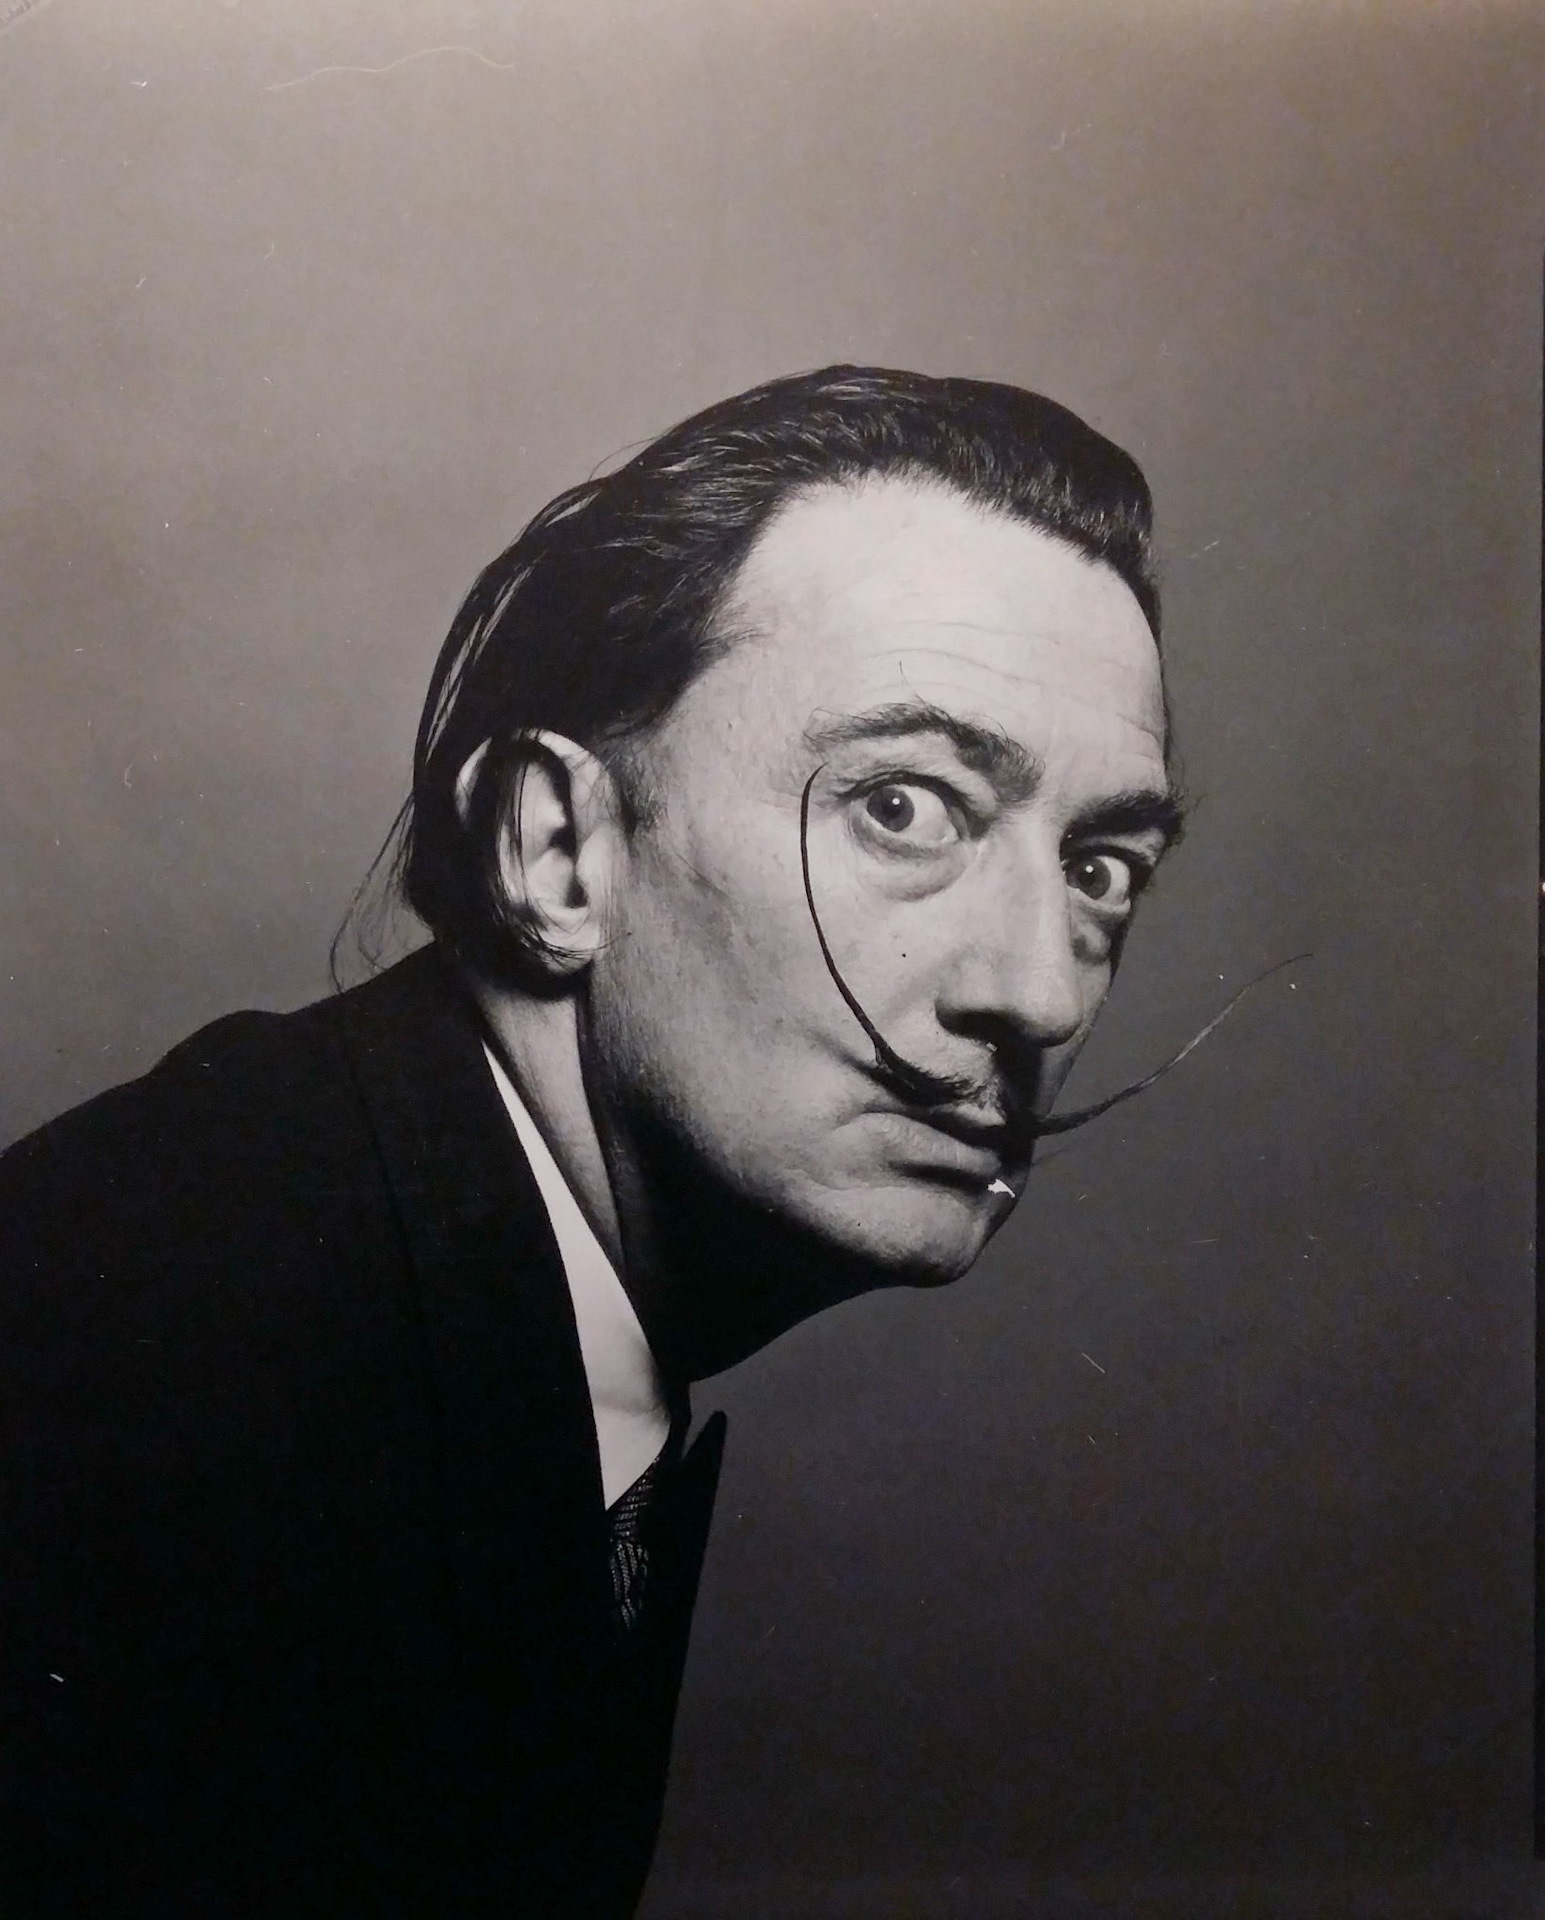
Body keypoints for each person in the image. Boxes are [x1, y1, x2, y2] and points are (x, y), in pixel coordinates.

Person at [0, 366, 1182, 1917]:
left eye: (1099, 867)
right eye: (902, 807)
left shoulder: (396, 1268)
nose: (1036, 992)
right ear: (556, 849)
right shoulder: (159, 1364)